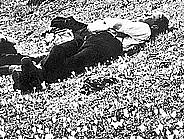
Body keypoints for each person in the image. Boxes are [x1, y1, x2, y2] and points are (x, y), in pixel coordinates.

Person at [14, 13, 169, 92]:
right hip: (101, 40)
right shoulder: (143, 28)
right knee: (61, 52)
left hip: (108, 43)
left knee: (72, 61)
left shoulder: (145, 28)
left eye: (155, 17)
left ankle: (33, 77)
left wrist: (92, 27)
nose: (149, 16)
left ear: (156, 25)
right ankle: (32, 76)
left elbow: (116, 24)